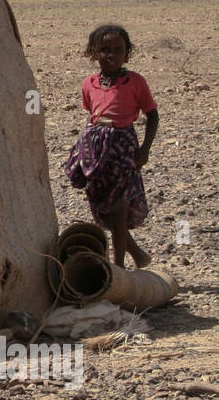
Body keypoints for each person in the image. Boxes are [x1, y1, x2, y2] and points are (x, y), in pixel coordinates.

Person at [63, 23, 159, 269]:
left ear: (127, 53)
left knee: (119, 208)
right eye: (105, 49)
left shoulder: (135, 82)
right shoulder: (89, 83)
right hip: (96, 148)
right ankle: (138, 255)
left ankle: (118, 268)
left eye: (118, 49)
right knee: (102, 205)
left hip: (123, 146)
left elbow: (152, 115)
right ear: (94, 52)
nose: (111, 55)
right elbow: (92, 115)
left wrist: (145, 149)